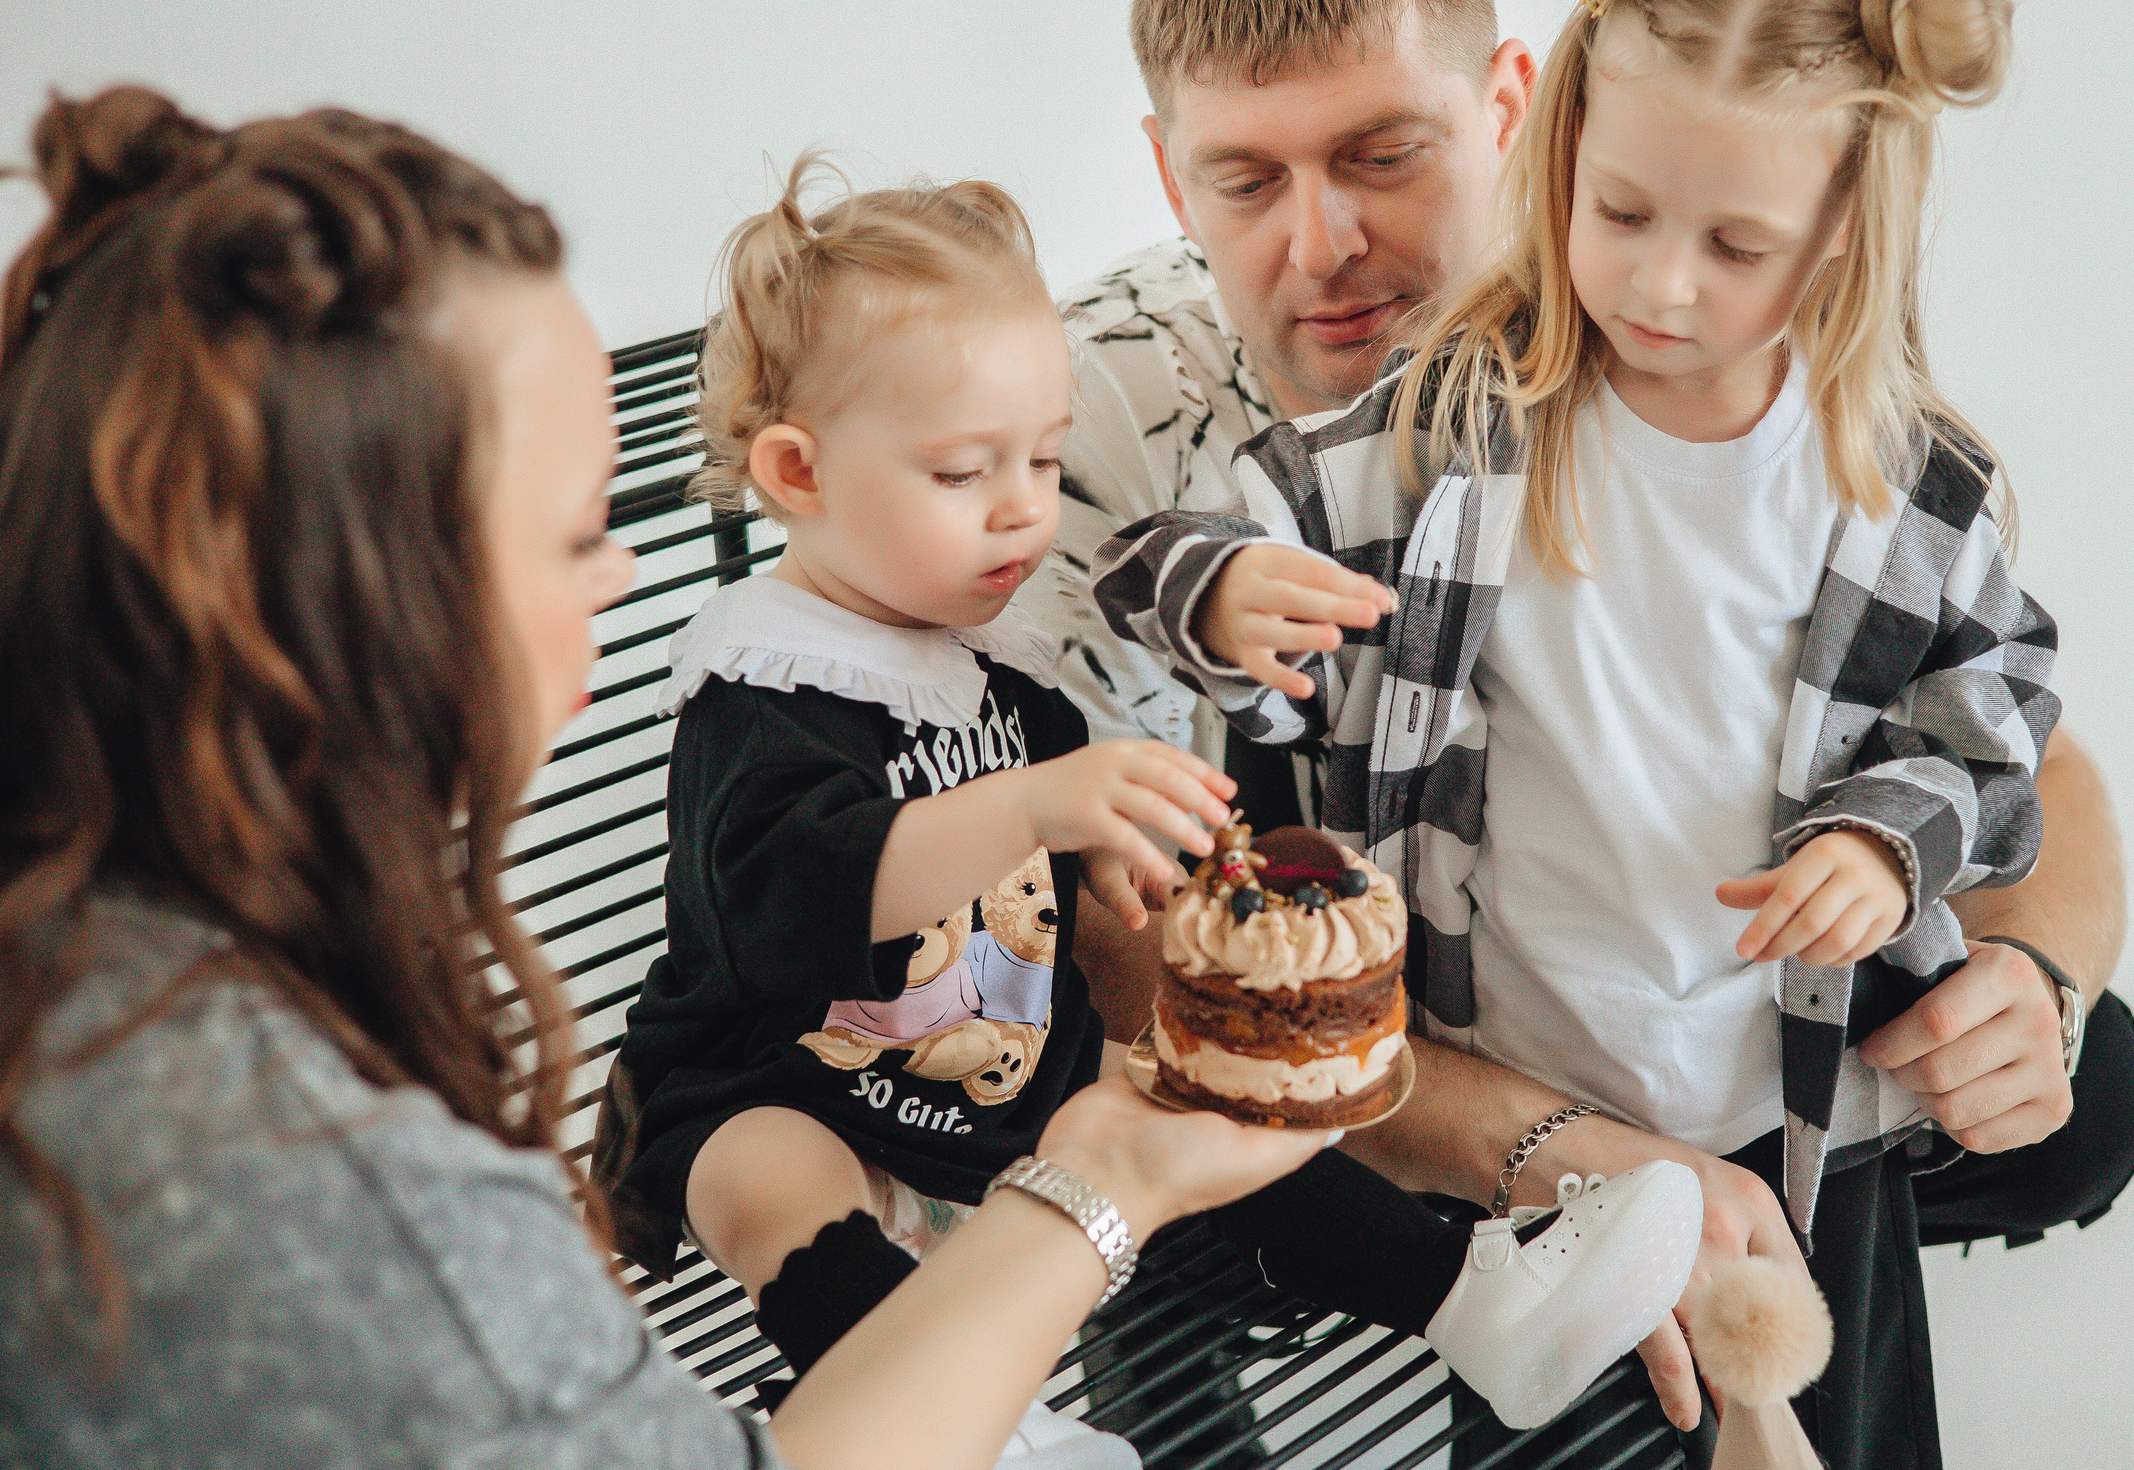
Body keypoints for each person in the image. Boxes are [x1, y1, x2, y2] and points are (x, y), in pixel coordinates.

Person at [0, 85, 1341, 1470]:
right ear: (339, 606)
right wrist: (1109, 1181)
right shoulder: (296, 1183)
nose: (618, 577)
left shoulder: (58, 943)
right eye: (566, 538)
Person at [1033, 0, 2134, 1448]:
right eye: (1247, 180)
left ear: (1515, 109)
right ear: (1171, 179)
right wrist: (1578, 1154)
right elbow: (1124, 967)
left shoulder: (1794, 392)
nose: (1326, 243)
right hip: (1375, 1048)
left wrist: (2027, 971)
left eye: (1383, 154)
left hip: (1737, 1016)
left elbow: (2012, 730)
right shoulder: (1098, 426)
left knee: (2080, 1096)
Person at [591, 153, 1705, 1440]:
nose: (1021, 512)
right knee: (767, 1182)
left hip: (999, 1081)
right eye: (962, 474)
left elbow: (1066, 854)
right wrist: (1037, 810)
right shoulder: (765, 684)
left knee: (1189, 1094)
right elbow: (789, 902)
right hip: (771, 1075)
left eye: (1044, 459)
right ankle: (973, 1429)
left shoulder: (980, 663)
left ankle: (1473, 1297)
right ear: (797, 474)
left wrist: (1112, 859)